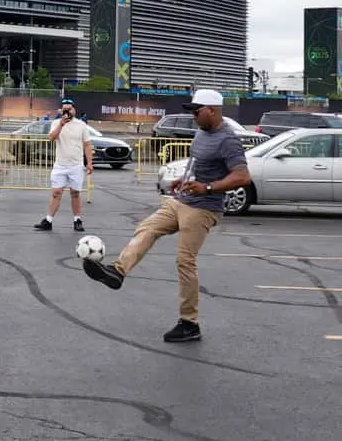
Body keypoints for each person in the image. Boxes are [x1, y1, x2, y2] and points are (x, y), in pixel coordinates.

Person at [82, 89, 251, 343]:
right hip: (182, 200)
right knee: (148, 228)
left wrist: (207, 187)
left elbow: (242, 176)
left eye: (196, 111)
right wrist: (184, 179)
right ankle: (117, 272)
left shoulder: (227, 139)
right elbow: (198, 163)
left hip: (204, 208)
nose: (193, 116)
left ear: (212, 110)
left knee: (185, 261)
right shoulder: (202, 133)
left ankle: (189, 323)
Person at [33, 98, 93, 232]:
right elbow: (51, 138)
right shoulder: (56, 123)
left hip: (76, 165)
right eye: (65, 109)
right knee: (56, 192)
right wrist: (61, 124)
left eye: (69, 109)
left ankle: (77, 220)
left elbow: (87, 144)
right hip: (60, 164)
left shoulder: (81, 125)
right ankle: (48, 220)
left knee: (75, 193)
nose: (67, 112)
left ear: (74, 110)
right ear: (61, 111)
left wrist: (89, 163)